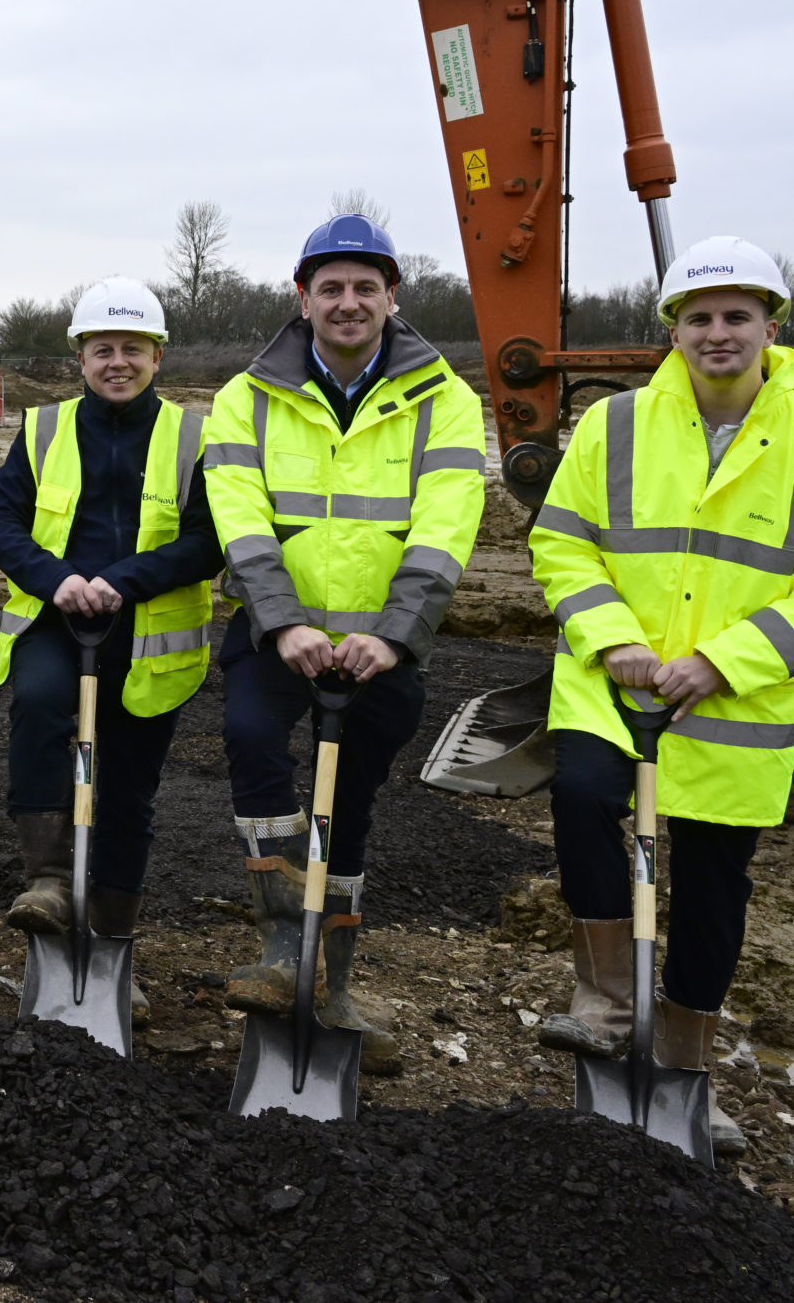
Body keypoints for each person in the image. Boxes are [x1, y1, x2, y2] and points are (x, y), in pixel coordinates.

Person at [531, 237, 794, 1156]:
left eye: (738, 315)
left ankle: (685, 1065)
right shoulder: (614, 423)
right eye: (699, 316)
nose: (717, 331)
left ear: (772, 327)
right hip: (614, 682)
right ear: (673, 331)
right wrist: (614, 638)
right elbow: (561, 541)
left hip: (738, 703)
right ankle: (606, 1005)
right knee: (580, 793)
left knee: (712, 883)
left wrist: (725, 661)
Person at [203, 213, 486, 1075]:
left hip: (383, 650)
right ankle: (282, 947)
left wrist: (393, 635)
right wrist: (283, 621)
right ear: (304, 298)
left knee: (351, 807)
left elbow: (445, 528)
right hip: (276, 633)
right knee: (251, 738)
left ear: (393, 297)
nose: (349, 302)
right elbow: (240, 517)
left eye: (367, 286)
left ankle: (335, 984)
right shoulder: (246, 397)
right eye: (332, 287)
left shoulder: (446, 400)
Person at [0, 278, 221, 994]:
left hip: (149, 636)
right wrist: (55, 579)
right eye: (103, 349)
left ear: (158, 356)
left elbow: (211, 538)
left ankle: (113, 948)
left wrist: (126, 579)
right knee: (40, 704)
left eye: (133, 349)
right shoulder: (44, 430)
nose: (118, 362)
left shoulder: (194, 436)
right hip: (57, 621)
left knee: (128, 794)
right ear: (80, 358)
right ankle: (49, 880)